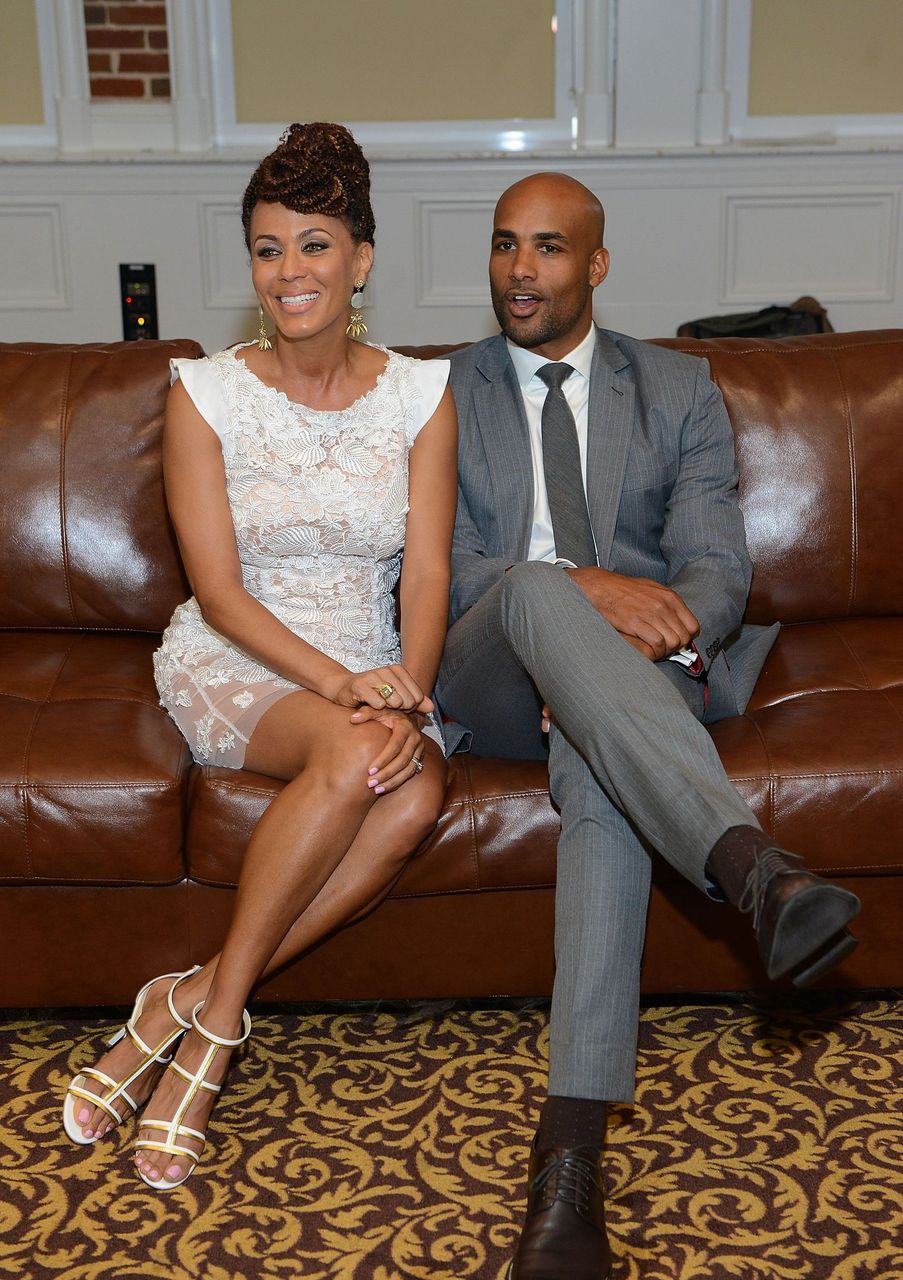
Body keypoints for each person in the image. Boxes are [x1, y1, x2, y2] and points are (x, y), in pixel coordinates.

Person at [434, 172, 861, 1280]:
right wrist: (578, 593)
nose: (521, 270)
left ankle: (568, 1162)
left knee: (600, 764)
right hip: (488, 663)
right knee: (535, 590)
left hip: (641, 673)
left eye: (549, 249)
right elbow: (439, 570)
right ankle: (751, 866)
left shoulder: (677, 386)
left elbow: (718, 567)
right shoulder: (439, 390)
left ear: (597, 265)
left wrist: (606, 658)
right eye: (503, 246)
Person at [62, 122, 457, 1191]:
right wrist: (341, 687)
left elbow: (425, 575)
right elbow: (222, 590)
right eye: (269, 247)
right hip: (239, 654)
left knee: (413, 793)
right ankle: (218, 1030)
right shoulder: (204, 392)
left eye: (315, 244)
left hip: (372, 661)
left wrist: (408, 693)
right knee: (352, 759)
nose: (291, 272)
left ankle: (181, 997)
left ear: (361, 259)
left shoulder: (422, 393)